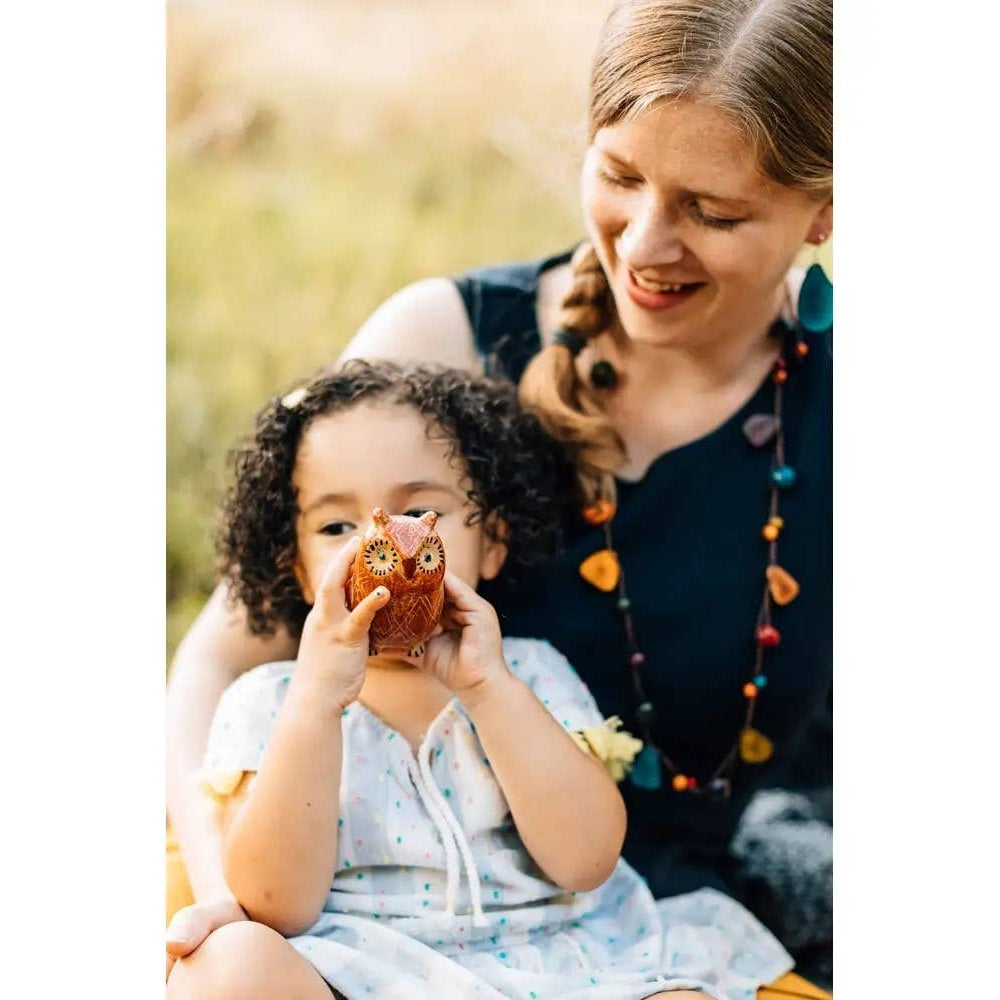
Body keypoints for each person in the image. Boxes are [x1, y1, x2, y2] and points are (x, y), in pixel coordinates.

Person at [166, 0, 833, 985]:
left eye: (713, 211)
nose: (645, 243)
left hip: (616, 928)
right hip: (327, 884)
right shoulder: (442, 342)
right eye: (619, 176)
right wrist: (226, 887)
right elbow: (224, 652)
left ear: (825, 209)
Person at [166, 360, 793, 999]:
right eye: (336, 527)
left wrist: (490, 691)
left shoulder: (529, 673)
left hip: (559, 967)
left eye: (418, 512)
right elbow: (275, 905)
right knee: (227, 964)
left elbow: (587, 860)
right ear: (299, 570)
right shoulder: (271, 701)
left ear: (491, 542)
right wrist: (315, 705)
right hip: (362, 971)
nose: (384, 549)